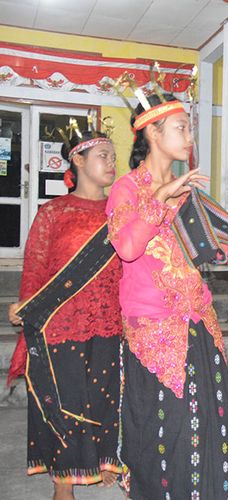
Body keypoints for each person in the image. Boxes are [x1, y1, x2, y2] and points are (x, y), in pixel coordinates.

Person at [106, 93, 228, 499]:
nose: (189, 135)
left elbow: (219, 247)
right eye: (181, 127)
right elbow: (127, 248)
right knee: (163, 432)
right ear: (151, 132)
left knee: (209, 427)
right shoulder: (126, 190)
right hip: (154, 334)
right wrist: (161, 198)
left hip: (198, 325)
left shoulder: (189, 193)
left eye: (188, 127)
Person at [7, 130, 122, 499]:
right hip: (61, 324)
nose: (111, 162)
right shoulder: (53, 213)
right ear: (78, 159)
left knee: (105, 396)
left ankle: (103, 460)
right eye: (103, 155)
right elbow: (35, 271)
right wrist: (27, 311)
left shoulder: (121, 212)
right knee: (66, 400)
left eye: (113, 156)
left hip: (110, 320)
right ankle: (63, 480)